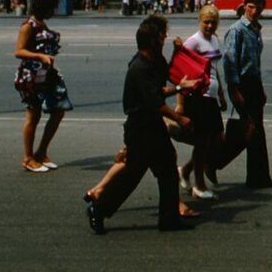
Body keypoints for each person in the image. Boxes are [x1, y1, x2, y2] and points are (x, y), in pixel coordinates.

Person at [85, 16, 200, 234]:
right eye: (162, 36)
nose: (165, 39)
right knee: (132, 176)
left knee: (168, 171)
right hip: (140, 129)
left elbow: (161, 87)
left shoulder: (155, 61)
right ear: (152, 40)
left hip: (153, 126)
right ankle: (98, 210)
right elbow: (157, 102)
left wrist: (179, 85)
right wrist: (180, 119)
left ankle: (169, 220)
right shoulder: (138, 68)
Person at [222, 0, 272, 188]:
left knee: (256, 129)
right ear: (244, 6)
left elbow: (255, 62)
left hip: (254, 84)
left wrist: (260, 87)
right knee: (251, 130)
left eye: (258, 8)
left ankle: (258, 177)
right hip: (242, 84)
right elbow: (229, 62)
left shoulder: (256, 29)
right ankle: (211, 162)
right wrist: (234, 90)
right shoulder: (236, 30)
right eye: (251, 7)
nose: (254, 11)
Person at [15, 0, 71, 173]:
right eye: (51, 9)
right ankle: (28, 158)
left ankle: (41, 152)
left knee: (58, 111)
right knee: (34, 116)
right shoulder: (28, 26)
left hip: (46, 74)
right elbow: (19, 51)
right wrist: (40, 56)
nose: (53, 12)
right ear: (43, 8)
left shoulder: (41, 24)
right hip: (31, 76)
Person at [178, 5, 226, 199]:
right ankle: (199, 185)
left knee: (216, 139)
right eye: (206, 22)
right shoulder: (193, 42)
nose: (210, 26)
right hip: (198, 97)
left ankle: (185, 170)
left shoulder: (214, 39)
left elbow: (214, 68)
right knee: (202, 141)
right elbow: (181, 73)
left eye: (213, 22)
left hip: (212, 95)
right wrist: (180, 103)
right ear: (199, 21)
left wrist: (221, 94)